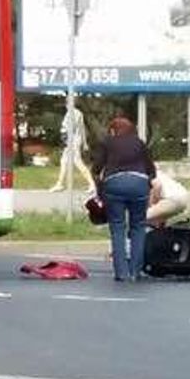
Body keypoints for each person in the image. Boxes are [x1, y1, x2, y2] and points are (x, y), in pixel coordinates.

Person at [90, 116, 155, 282]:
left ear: (113, 130)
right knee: (138, 227)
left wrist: (100, 190)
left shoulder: (107, 143)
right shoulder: (139, 143)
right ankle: (135, 271)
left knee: (117, 227)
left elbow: (96, 169)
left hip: (115, 184)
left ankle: (121, 273)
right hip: (139, 184)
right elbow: (151, 171)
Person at [49, 105, 95, 193]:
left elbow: (71, 128)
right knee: (64, 161)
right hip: (74, 141)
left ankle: (92, 184)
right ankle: (59, 184)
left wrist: (68, 140)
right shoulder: (78, 113)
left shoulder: (71, 113)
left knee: (78, 162)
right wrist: (84, 142)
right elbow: (82, 129)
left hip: (72, 142)